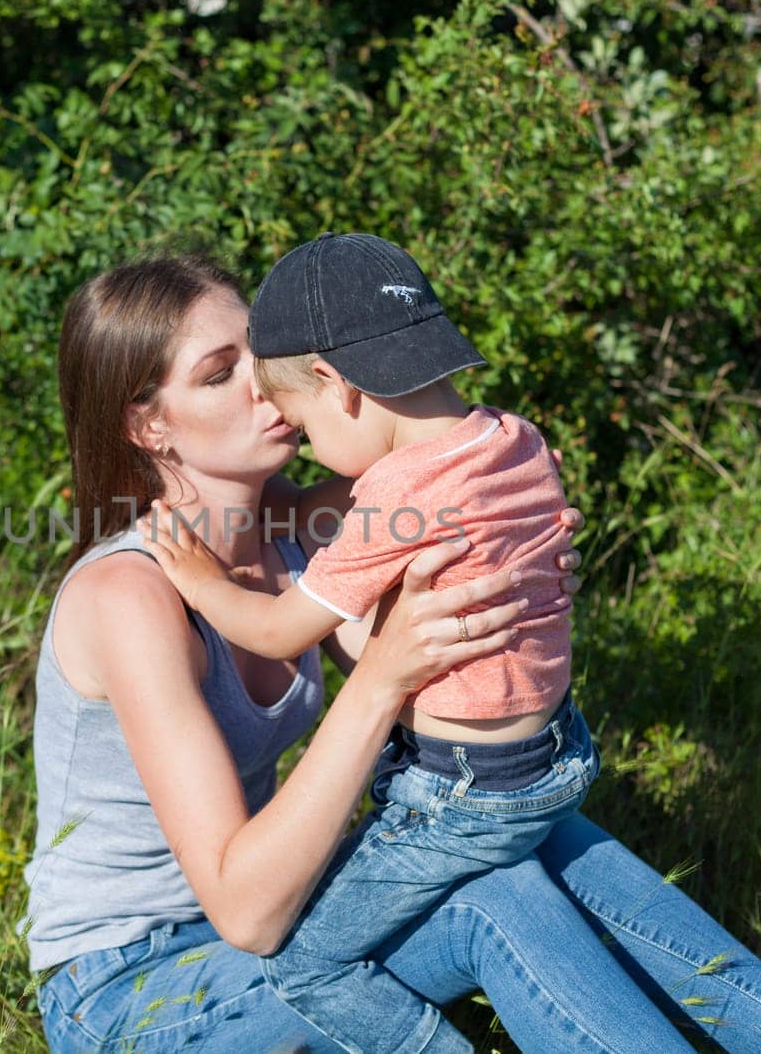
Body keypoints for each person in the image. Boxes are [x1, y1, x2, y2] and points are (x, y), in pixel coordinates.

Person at [25, 252, 761, 1053]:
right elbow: (246, 911)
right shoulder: (130, 596)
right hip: (133, 991)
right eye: (220, 374)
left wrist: (515, 574)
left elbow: (447, 491)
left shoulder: (295, 527)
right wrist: (387, 671)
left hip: (260, 925)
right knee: (490, 888)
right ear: (149, 424)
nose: (267, 385)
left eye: (265, 352)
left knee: (530, 838)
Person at [136, 232, 596, 1051]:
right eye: (221, 374)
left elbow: (282, 624)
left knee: (307, 969)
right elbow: (336, 496)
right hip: (557, 755)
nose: (285, 422)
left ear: (336, 387)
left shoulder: (392, 495)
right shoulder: (512, 441)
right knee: (578, 878)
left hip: (460, 784)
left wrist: (202, 580)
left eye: (304, 419)